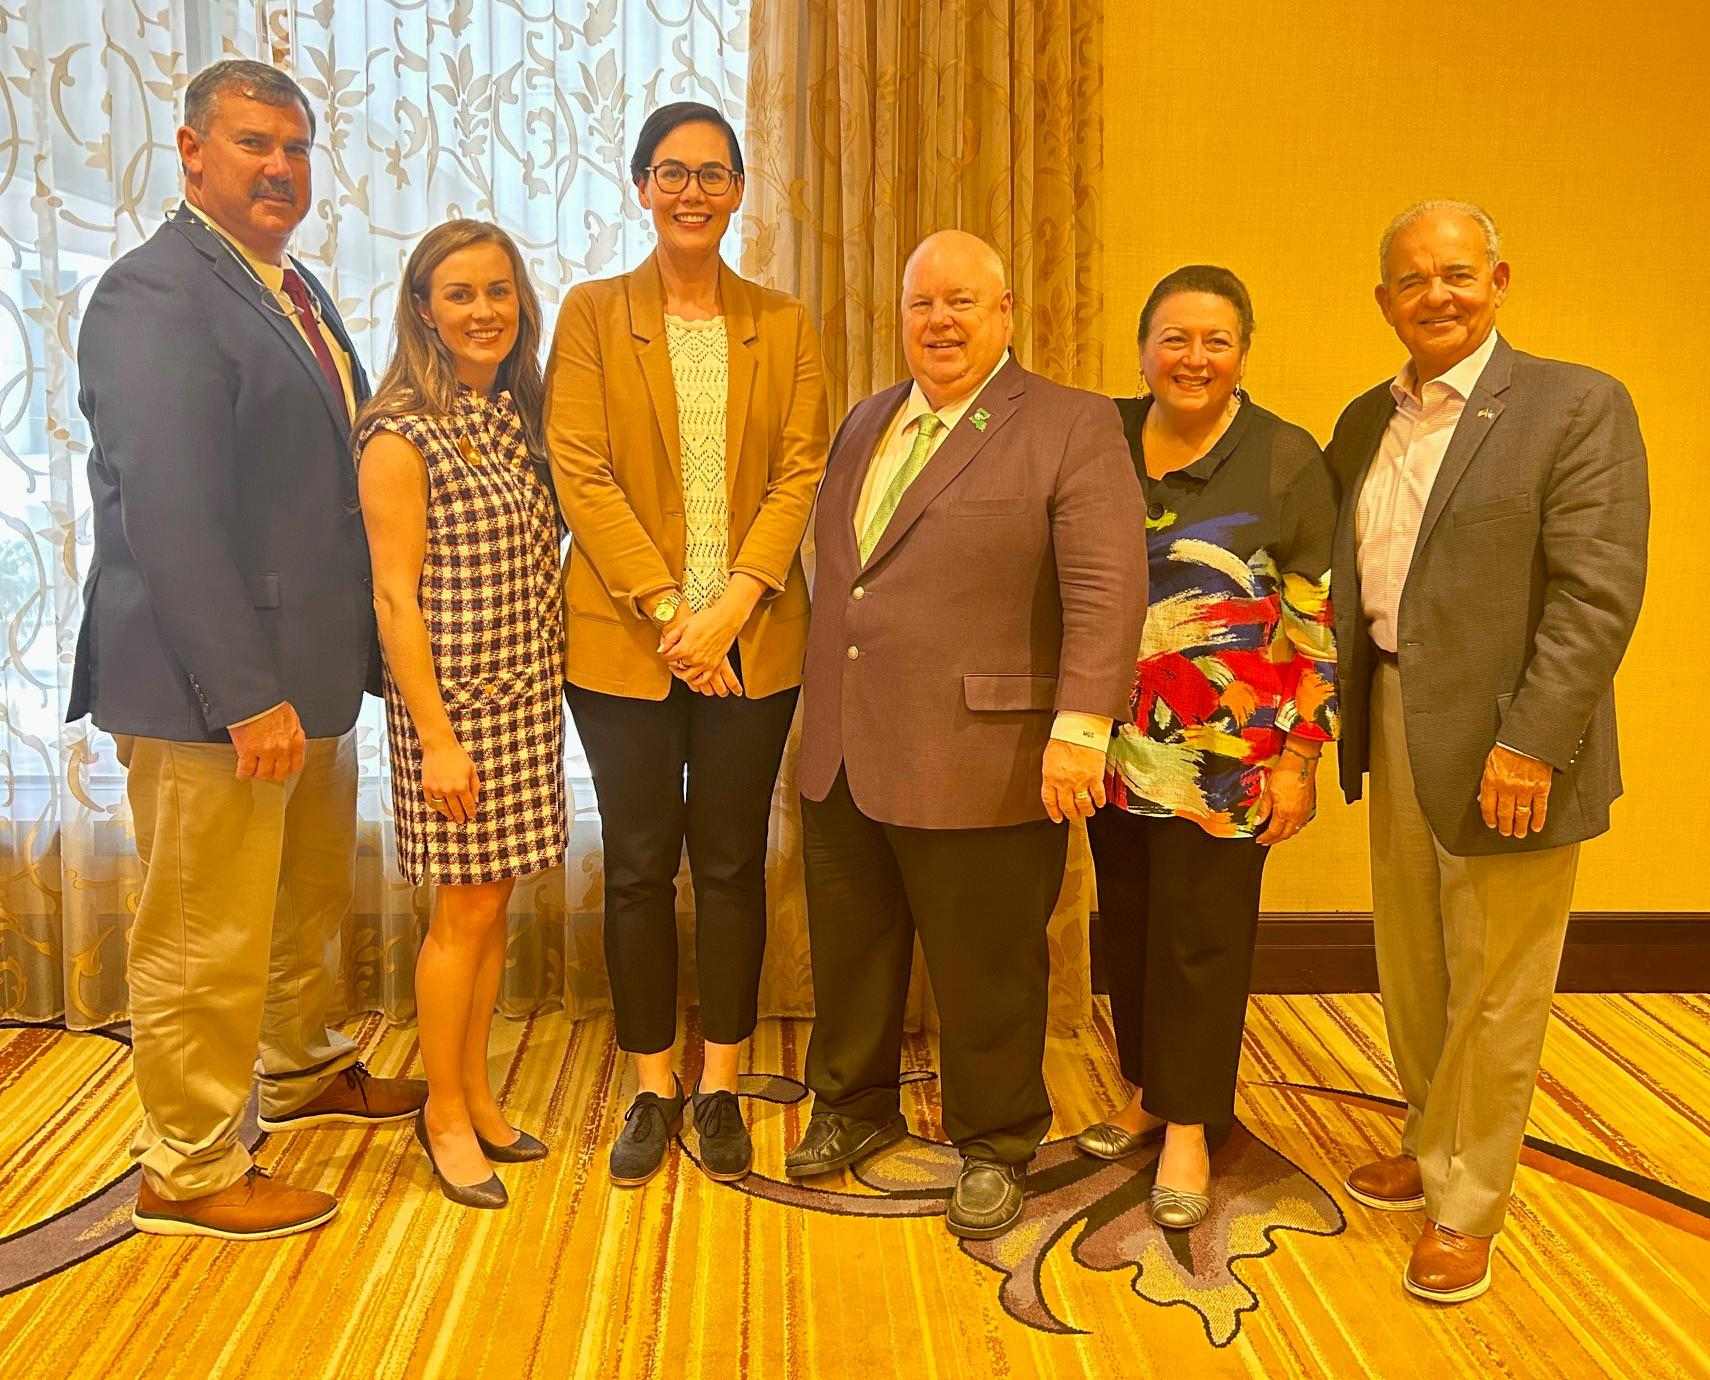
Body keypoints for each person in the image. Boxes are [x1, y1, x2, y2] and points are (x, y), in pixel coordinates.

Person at [69, 60, 425, 1241]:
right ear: (190, 150)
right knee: (203, 934)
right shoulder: (154, 295)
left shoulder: (286, 283)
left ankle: (302, 1066)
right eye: (253, 144)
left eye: (296, 149)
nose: (280, 168)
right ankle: (190, 1165)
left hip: (304, 679)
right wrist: (243, 696)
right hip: (211, 694)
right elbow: (166, 513)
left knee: (295, 910)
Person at [784, 230, 1147, 1241]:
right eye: (920, 306)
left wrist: (1081, 732)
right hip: (848, 748)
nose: (938, 323)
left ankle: (996, 1140)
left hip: (987, 751)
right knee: (852, 952)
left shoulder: (1070, 425)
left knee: (988, 963)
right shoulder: (866, 422)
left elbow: (1107, 587)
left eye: (960, 304)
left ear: (1004, 314)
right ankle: (853, 1110)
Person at [1330, 200, 1648, 1302]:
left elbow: (1595, 595)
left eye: (1458, 273)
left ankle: (1468, 1202)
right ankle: (1431, 1147)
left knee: (1499, 980)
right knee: (1415, 959)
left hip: (1511, 736)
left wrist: (1531, 744)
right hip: (1395, 715)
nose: (1438, 296)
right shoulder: (1367, 419)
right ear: (1385, 303)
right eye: (1412, 280)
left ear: (1501, 280)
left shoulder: (1575, 406)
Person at [544, 102, 829, 1187]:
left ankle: (720, 1081)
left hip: (754, 638)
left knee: (729, 865)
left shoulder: (785, 323)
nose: (693, 191)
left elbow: (802, 471)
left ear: (741, 189)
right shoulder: (591, 314)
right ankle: (652, 1083)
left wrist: (732, 605)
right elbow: (582, 469)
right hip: (627, 641)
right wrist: (674, 616)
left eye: (714, 173)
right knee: (636, 866)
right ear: (641, 186)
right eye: (672, 172)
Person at [1073, 267, 1339, 1229]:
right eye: (1174, 338)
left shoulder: (1285, 459)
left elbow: (1315, 616)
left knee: (1204, 936)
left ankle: (1192, 1123)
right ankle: (1147, 1090)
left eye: (1215, 340)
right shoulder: (1098, 435)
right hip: (1110, 745)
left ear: (1243, 352)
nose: (1193, 358)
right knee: (1134, 923)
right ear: (1143, 348)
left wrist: (1302, 759)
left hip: (1230, 755)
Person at [355, 221, 566, 1209]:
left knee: (493, 909)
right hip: (453, 713)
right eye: (459, 294)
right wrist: (434, 739)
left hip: (524, 701)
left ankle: (476, 1091)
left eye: (498, 290)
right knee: (460, 915)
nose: (484, 310)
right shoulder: (401, 431)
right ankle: (442, 1112)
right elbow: (395, 600)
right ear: (423, 311)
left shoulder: (511, 413)